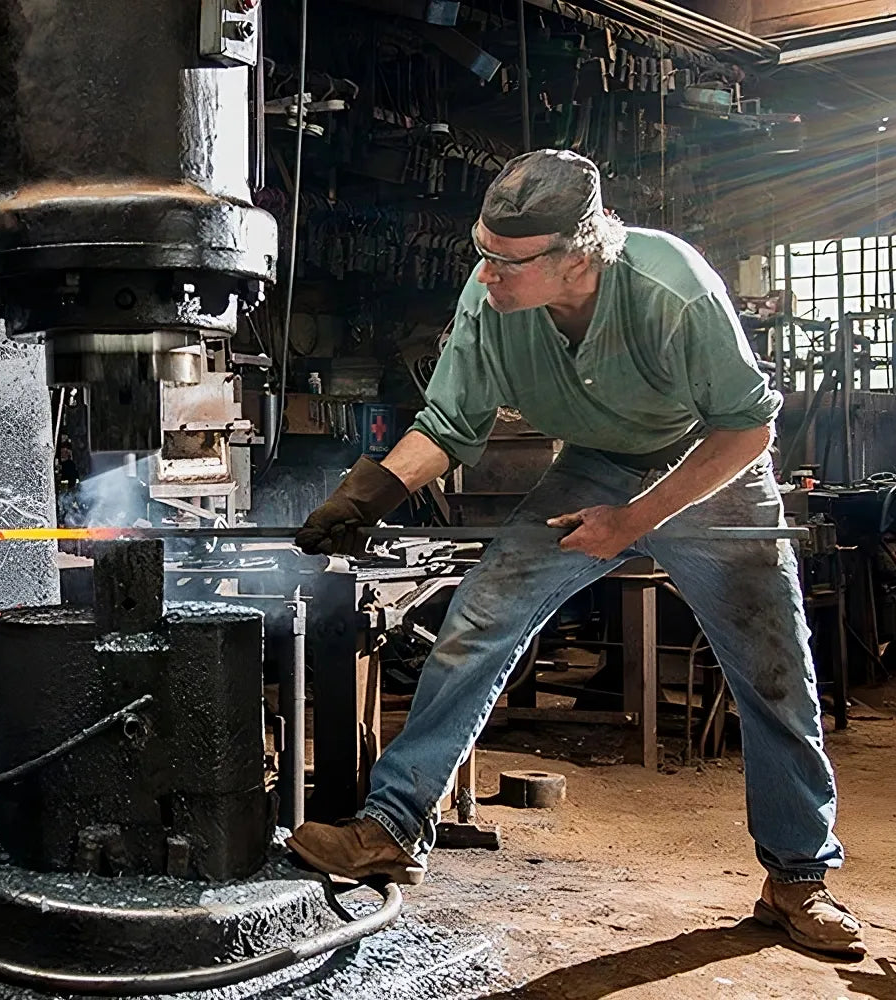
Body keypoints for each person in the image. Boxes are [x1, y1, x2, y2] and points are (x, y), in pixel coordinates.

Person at [287, 149, 864, 958]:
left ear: (579, 257)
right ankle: (393, 824)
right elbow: (451, 426)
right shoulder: (491, 298)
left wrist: (635, 521)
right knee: (477, 621)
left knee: (774, 674)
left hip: (709, 463)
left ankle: (799, 877)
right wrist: (368, 496)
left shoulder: (671, 288)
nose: (486, 275)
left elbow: (749, 426)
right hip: (593, 461)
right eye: (481, 251)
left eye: (508, 261)